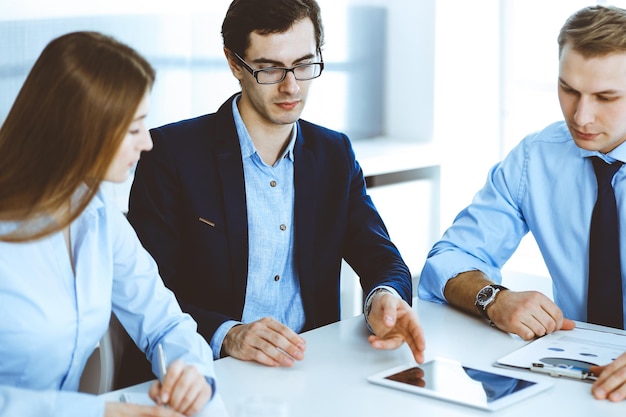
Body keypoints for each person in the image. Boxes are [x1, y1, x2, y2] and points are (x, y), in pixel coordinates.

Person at [127, 0, 425, 369]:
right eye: (270, 69)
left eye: (303, 64)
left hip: (311, 369)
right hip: (207, 370)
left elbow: (381, 258)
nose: (291, 86)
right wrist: (228, 333)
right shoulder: (170, 155)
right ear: (235, 63)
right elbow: (144, 294)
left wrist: (384, 297)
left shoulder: (334, 154)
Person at [0, 31, 216, 416]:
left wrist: (192, 372)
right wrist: (100, 413)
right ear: (80, 130)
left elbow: (164, 321)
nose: (147, 143)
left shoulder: (96, 213)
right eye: (133, 129)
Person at [418, 5, 626, 403]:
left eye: (605, 97)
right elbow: (449, 257)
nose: (581, 116)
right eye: (568, 90)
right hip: (573, 381)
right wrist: (493, 298)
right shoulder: (537, 158)